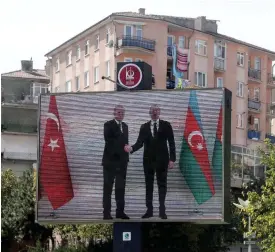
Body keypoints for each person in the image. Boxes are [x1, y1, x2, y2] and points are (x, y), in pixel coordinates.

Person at [124, 105, 176, 219]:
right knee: (149, 186)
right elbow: (139, 143)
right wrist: (131, 148)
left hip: (163, 160)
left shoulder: (166, 125)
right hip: (148, 161)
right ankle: (149, 210)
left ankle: (162, 210)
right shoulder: (144, 127)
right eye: (153, 111)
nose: (155, 113)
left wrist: (172, 159)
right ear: (149, 113)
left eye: (157, 111)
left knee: (162, 185)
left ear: (159, 112)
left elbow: (171, 142)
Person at [102, 105, 130, 220]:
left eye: (122, 113)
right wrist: (123, 148)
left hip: (122, 163)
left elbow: (125, 142)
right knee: (108, 188)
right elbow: (110, 141)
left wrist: (127, 149)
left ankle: (120, 212)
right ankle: (107, 213)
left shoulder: (125, 126)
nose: (120, 115)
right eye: (118, 113)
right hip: (110, 162)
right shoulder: (108, 125)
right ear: (114, 113)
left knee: (120, 188)